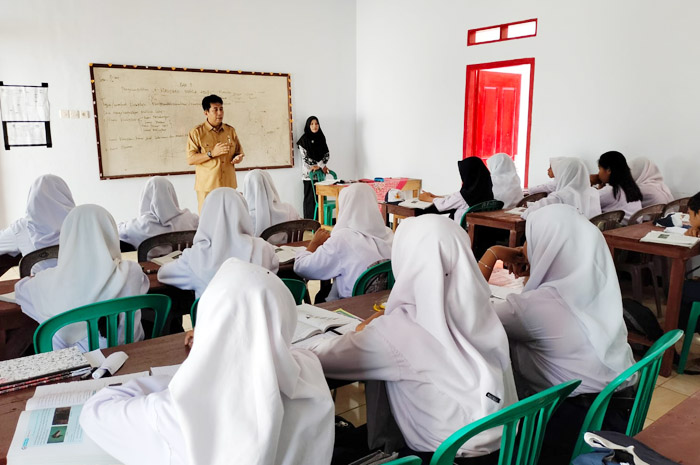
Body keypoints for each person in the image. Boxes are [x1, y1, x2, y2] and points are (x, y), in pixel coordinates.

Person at [80, 259, 335, 465]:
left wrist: (194, 367)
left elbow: (94, 412)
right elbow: (294, 355)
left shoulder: (175, 414)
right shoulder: (308, 373)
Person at [308, 215, 517, 463]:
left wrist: (362, 331)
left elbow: (322, 358)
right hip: (510, 446)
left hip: (442, 457)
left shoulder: (399, 331)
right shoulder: (484, 311)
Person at [478, 204, 635, 464]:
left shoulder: (532, 308)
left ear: (548, 246)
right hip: (617, 414)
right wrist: (535, 273)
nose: (525, 246)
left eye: (529, 239)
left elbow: (467, 313)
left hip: (572, 426)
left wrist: (493, 253)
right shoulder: (596, 290)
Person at [15, 205, 148, 352]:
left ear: (66, 236)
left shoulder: (44, 283)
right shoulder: (131, 271)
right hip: (128, 353)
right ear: (111, 233)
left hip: (70, 364)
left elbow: (20, 289)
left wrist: (38, 277)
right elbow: (143, 284)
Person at [158, 187, 279, 298]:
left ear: (206, 215)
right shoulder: (263, 248)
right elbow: (273, 270)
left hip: (212, 321)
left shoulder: (195, 256)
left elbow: (163, 274)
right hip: (256, 320)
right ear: (243, 212)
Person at [294, 183, 393, 302]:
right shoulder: (389, 234)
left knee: (321, 295)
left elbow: (303, 268)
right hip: (383, 303)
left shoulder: (343, 238)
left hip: (352, 304)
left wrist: (313, 245)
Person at [0, 174, 75, 272]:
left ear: (32, 197)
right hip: (81, 284)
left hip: (41, 285)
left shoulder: (21, 227)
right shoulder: (81, 221)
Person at [187, 94, 245, 213]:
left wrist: (238, 158)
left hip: (229, 186)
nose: (219, 113)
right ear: (206, 112)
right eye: (215, 109)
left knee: (231, 219)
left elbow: (239, 152)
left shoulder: (230, 130)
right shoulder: (196, 133)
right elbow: (191, 159)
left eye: (221, 109)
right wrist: (211, 153)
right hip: (208, 188)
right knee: (208, 222)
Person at [118, 176, 199, 259]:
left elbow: (117, 232)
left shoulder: (140, 226)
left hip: (152, 271)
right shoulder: (191, 219)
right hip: (185, 268)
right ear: (171, 193)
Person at [521, 157, 601, 219]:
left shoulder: (560, 197)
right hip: (589, 238)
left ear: (563, 174)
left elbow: (527, 214)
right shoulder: (594, 193)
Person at [419, 157, 494, 223]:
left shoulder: (465, 196)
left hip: (461, 230)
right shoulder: (486, 192)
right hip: (478, 230)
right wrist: (436, 196)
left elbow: (444, 204)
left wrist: (428, 198)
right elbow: (454, 200)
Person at [242, 169, 300, 243]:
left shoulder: (245, 216)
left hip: (261, 253)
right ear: (270, 185)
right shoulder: (289, 209)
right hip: (290, 251)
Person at [591, 151, 643, 223]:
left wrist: (589, 182)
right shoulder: (631, 187)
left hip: (617, 231)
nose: (598, 173)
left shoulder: (611, 191)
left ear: (609, 170)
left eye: (599, 168)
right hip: (632, 228)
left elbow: (584, 202)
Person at [297, 116, 331, 219]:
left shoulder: (321, 138)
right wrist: (320, 165)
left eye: (316, 124)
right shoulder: (304, 140)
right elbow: (306, 158)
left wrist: (319, 166)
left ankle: (320, 221)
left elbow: (327, 154)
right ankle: (309, 222)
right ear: (308, 125)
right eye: (312, 124)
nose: (314, 126)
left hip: (320, 175)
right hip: (309, 175)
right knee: (310, 199)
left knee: (320, 199)